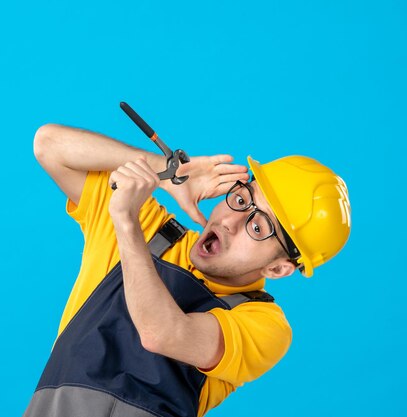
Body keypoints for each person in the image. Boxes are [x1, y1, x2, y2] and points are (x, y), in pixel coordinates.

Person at [24, 123, 351, 417]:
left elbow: (161, 334)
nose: (231, 221)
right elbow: (49, 144)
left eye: (258, 227)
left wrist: (125, 224)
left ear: (278, 268)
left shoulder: (263, 324)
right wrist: (166, 172)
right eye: (241, 199)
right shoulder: (149, 228)